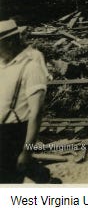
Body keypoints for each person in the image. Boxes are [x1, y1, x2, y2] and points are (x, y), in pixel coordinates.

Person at [0, 20, 49, 183]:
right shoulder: (3, 66)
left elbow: (36, 113)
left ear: (11, 42)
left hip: (14, 132)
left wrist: (27, 150)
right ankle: (45, 180)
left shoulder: (31, 67)